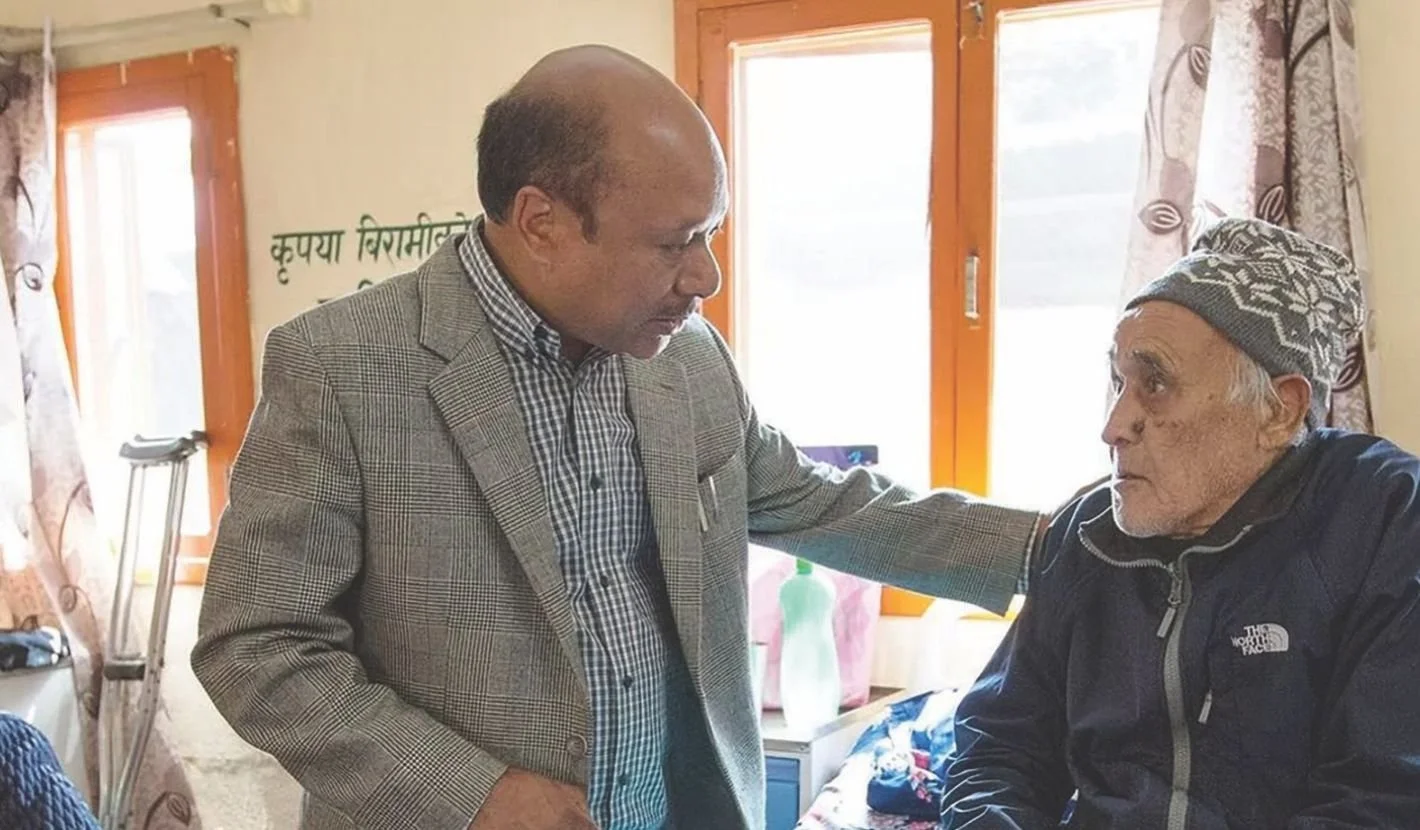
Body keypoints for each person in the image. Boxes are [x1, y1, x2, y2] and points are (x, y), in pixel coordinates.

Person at [192, 45, 1060, 830]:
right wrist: (470, 793)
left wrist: (1058, 548)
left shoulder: (685, 360)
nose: (706, 277)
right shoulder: (343, 369)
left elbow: (816, 502)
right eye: (675, 243)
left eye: (711, 233)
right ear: (541, 221)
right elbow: (256, 646)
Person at [941, 217, 1420, 829]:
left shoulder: (1382, 519)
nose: (1113, 426)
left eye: (1156, 383)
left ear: (1280, 411)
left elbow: (1387, 796)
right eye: (1118, 381)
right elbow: (1000, 750)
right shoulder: (1088, 536)